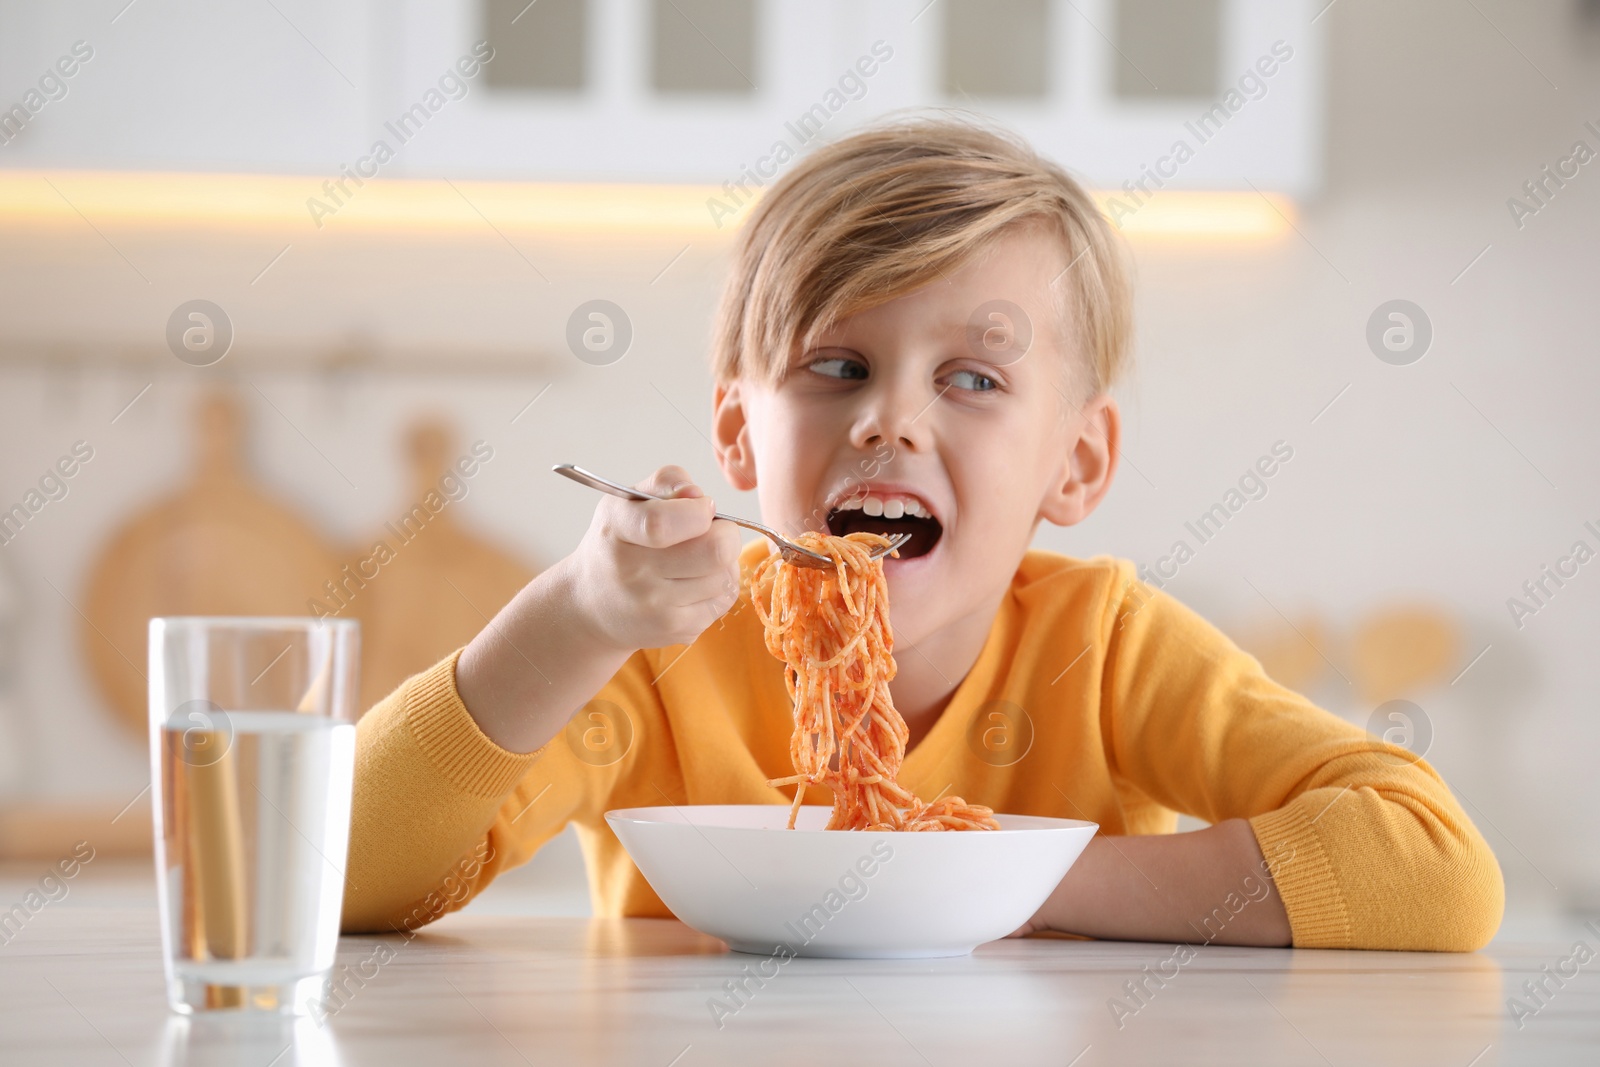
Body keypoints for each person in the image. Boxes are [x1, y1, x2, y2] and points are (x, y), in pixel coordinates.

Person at [341, 116, 1503, 951]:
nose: (888, 419)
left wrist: (992, 880)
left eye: (973, 378)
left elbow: (1434, 871)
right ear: (737, 433)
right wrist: (573, 614)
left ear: (1076, 460)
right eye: (836, 366)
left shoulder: (1106, 648)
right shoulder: (648, 657)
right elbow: (340, 880)